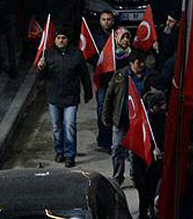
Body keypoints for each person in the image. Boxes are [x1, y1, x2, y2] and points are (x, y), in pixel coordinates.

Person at [37, 32, 93, 167]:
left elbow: (84, 74)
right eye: (58, 38)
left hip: (71, 97)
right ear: (54, 39)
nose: (61, 40)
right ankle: (59, 151)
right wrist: (41, 68)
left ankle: (70, 155)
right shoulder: (48, 54)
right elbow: (42, 77)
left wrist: (88, 92)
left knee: (69, 125)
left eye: (64, 37)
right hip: (54, 97)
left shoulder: (76, 54)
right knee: (57, 127)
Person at [103, 50, 151, 185]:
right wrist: (106, 116)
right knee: (117, 148)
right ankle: (118, 177)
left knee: (135, 151)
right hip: (121, 120)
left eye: (143, 62)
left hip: (138, 122)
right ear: (131, 63)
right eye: (138, 62)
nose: (141, 65)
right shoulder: (120, 75)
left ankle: (135, 175)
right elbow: (109, 96)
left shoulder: (150, 76)